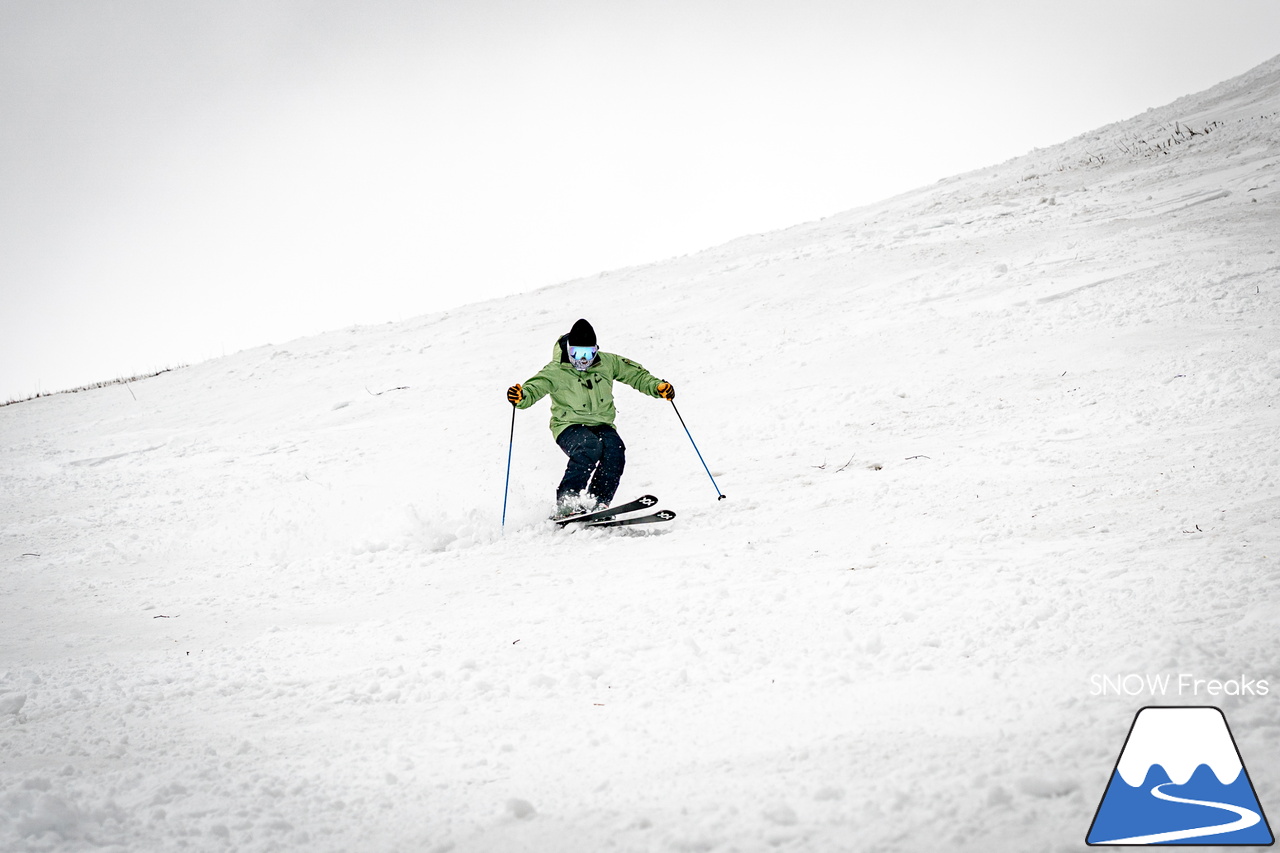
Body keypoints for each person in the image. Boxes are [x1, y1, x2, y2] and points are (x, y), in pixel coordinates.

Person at [507, 319, 674, 517]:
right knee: (588, 447)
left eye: (588, 354)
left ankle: (598, 502)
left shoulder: (607, 363)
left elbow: (636, 375)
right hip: (568, 425)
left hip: (602, 423)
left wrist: (657, 387)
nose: (583, 359)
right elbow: (535, 387)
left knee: (614, 451)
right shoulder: (555, 370)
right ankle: (567, 503)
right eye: (577, 354)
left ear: (596, 350)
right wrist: (521, 396)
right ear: (569, 350)